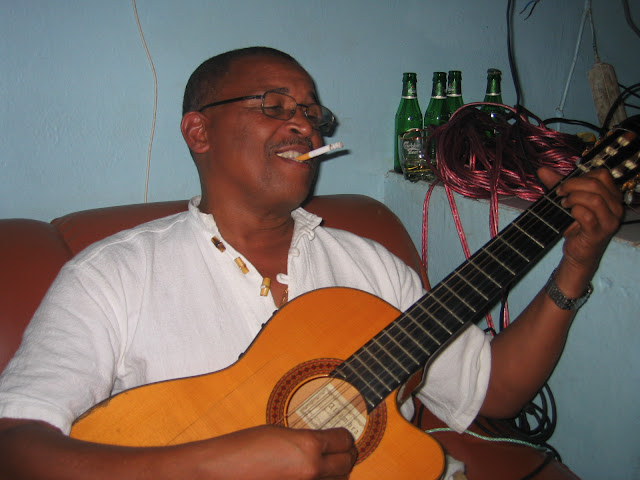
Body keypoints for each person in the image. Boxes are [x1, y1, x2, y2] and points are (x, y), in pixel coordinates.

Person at [0, 47, 624, 479]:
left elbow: (494, 391)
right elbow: (15, 447)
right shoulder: (112, 275)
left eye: (312, 113)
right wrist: (213, 464)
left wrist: (576, 265)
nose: (303, 124)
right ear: (198, 132)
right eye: (274, 105)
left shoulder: (374, 269)